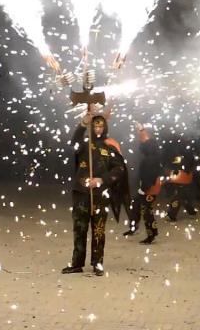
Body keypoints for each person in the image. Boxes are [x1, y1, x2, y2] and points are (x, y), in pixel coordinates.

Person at [62, 112, 126, 276]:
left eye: (100, 125)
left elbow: (119, 169)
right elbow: (73, 142)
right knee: (79, 229)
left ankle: (97, 263)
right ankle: (77, 263)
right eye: (95, 125)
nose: (98, 128)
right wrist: (83, 123)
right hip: (81, 193)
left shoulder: (110, 146)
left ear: (105, 128)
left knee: (98, 229)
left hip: (100, 194)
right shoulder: (84, 143)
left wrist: (101, 180)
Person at [123, 124, 161, 244]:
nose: (141, 146)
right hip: (148, 186)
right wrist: (141, 130)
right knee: (136, 204)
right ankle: (134, 227)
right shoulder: (152, 155)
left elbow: (149, 176)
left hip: (150, 188)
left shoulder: (150, 159)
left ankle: (152, 234)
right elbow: (147, 140)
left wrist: (144, 189)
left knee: (146, 211)